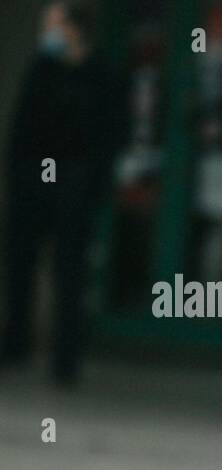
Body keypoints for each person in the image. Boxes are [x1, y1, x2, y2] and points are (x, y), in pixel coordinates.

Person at [3, 1, 126, 385]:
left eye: (54, 26)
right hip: (33, 182)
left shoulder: (102, 75)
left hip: (74, 185)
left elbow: (110, 135)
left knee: (69, 273)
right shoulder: (43, 68)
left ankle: (65, 360)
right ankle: (16, 344)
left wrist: (92, 185)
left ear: (73, 29)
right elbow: (22, 125)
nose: (47, 34)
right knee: (19, 264)